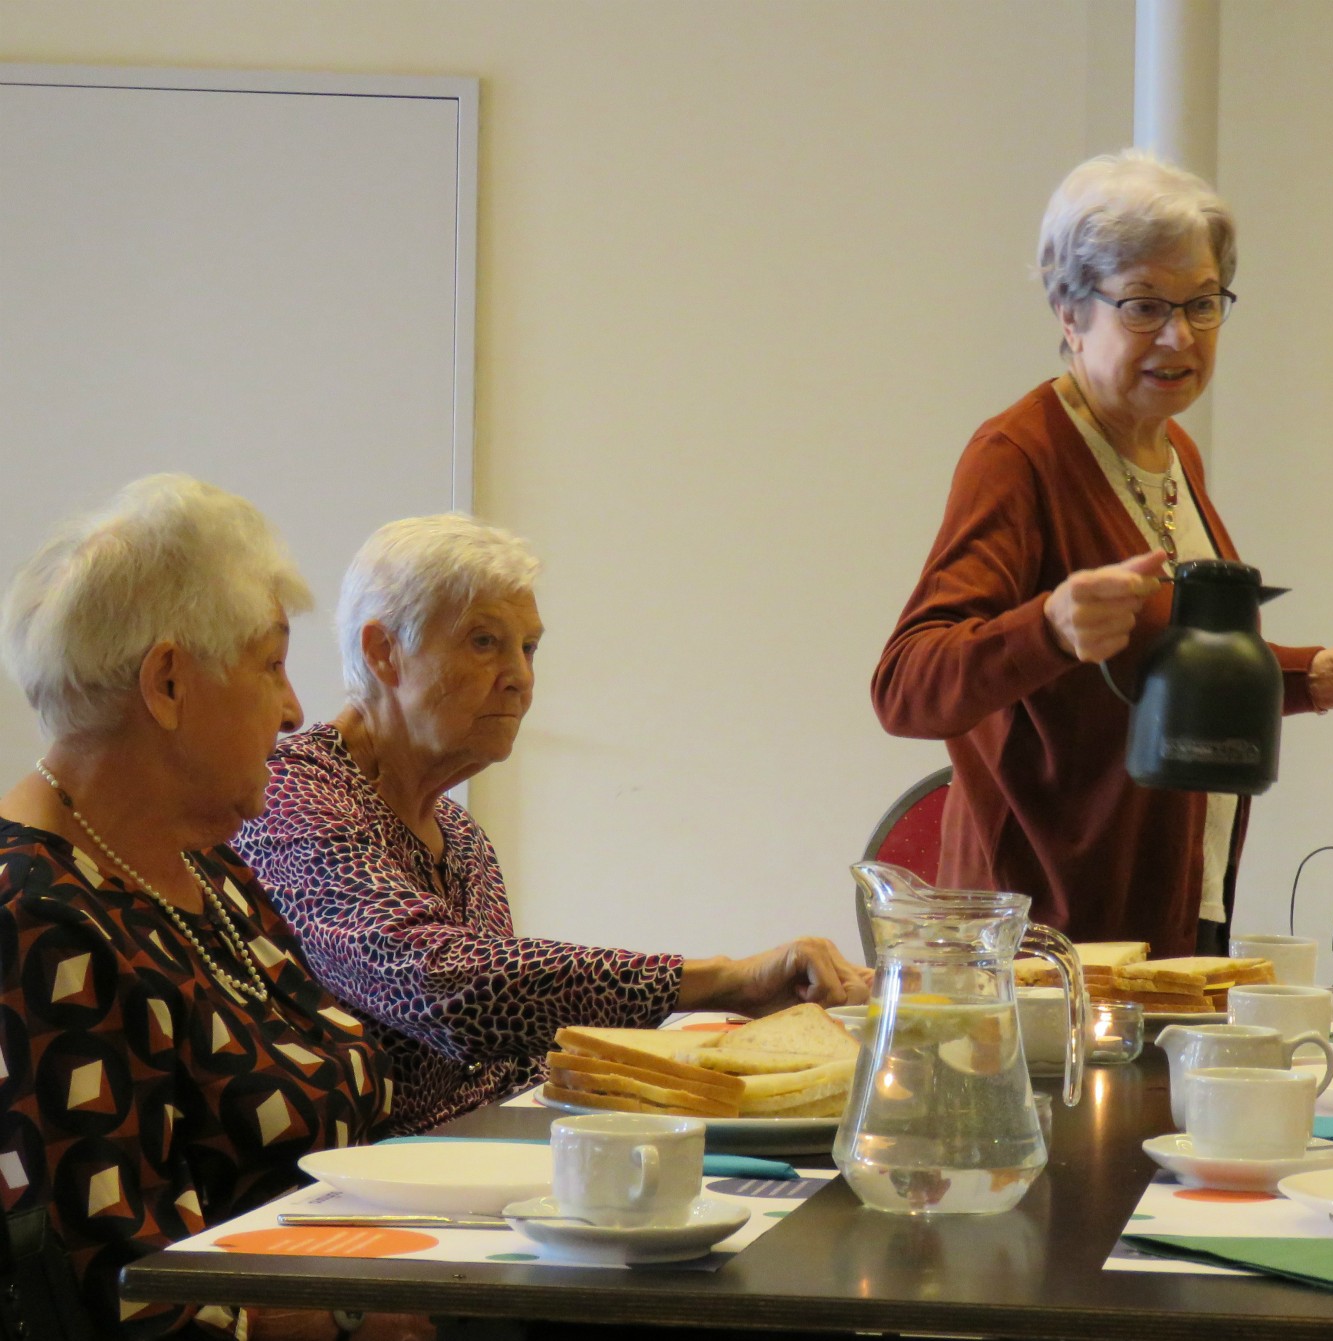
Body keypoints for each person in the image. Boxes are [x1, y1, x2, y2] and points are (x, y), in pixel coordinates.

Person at [872, 149, 1333, 957]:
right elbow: (906, 687)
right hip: (1045, 944)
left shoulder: (1174, 453)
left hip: (1168, 916)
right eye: (1144, 306)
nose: (1179, 336)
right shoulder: (1020, 455)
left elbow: (1168, 666)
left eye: (1202, 303)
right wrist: (1047, 628)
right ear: (1068, 310)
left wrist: (1313, 676)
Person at [235, 515, 870, 1135]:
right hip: (351, 1197)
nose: (520, 679)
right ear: (383, 652)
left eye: (529, 647)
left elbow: (509, 1054)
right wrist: (718, 982)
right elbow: (443, 988)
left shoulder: (458, 833)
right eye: (485, 642)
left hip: (473, 1166)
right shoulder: (292, 795)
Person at [0, 476, 409, 1339]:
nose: (295, 708)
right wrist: (348, 1315)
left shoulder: (212, 874)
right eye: (270, 664)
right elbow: (114, 1294)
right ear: (169, 683)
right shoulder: (34, 918)